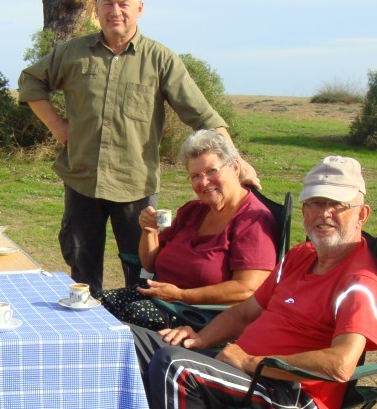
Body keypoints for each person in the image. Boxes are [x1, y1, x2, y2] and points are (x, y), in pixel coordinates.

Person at [132, 156, 377, 409]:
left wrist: (251, 361)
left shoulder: (359, 280)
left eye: (337, 205)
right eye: (315, 203)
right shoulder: (300, 256)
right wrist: (200, 338)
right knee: (131, 341)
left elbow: (341, 365)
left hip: (290, 391)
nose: (324, 214)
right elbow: (247, 310)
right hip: (240, 366)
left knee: (175, 367)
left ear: (361, 214)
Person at [18, 0, 259, 294]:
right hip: (81, 179)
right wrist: (58, 127)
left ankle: (137, 326)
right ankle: (89, 324)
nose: (115, 11)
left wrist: (237, 162)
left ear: (140, 9)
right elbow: (30, 81)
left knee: (144, 275)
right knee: (82, 274)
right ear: (95, 9)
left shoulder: (160, 60)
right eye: (107, 4)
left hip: (135, 187)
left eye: (123, 4)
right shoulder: (73, 53)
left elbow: (202, 115)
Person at [97, 130, 278, 330]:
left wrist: (181, 295)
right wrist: (149, 230)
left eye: (212, 171)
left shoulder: (253, 221)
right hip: (162, 297)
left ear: (235, 168)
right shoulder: (193, 211)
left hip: (201, 315)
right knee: (96, 304)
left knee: (128, 319)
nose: (204, 182)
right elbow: (150, 264)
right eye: (195, 176)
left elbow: (247, 289)